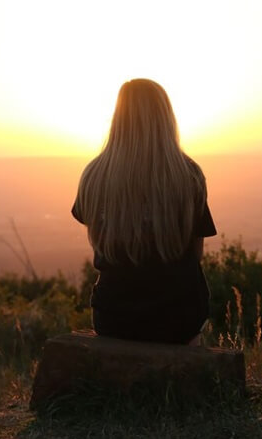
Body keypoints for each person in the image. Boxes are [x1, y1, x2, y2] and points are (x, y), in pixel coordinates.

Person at [71, 78, 217, 345]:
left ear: (117, 118)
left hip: (113, 317)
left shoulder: (94, 175)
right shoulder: (189, 175)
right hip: (179, 317)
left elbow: (100, 242)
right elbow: (196, 255)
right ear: (166, 118)